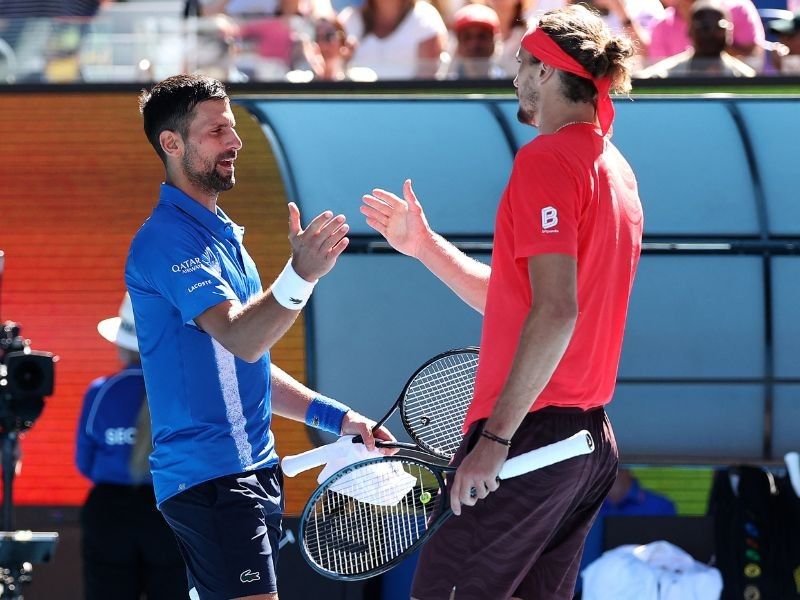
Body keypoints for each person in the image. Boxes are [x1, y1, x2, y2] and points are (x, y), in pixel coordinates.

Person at [361, 5, 642, 598]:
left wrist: (495, 441)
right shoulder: (614, 168)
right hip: (586, 445)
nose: (514, 77)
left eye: (522, 64)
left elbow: (556, 312)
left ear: (546, 72)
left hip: (531, 441)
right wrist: (426, 247)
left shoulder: (547, 158)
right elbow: (524, 306)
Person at [125, 74, 394, 600]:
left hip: (247, 475)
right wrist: (301, 276)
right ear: (172, 143)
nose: (235, 141)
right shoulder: (164, 238)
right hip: (212, 482)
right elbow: (242, 339)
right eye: (217, 130)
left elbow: (244, 364)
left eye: (233, 127)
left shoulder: (222, 236)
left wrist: (338, 419)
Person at [76, 293, 187, 600]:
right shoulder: (183, 390)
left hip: (109, 511)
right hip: (172, 509)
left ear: (123, 342)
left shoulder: (101, 391)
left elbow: (84, 462)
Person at [638, 0, 756, 78]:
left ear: (729, 31)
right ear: (690, 31)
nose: (711, 33)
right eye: (704, 27)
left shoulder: (744, 78)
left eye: (718, 27)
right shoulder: (663, 76)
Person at [339, 0, 448, 79]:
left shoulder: (426, 18)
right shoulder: (348, 19)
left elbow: (425, 85)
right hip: (357, 107)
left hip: (408, 107)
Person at [445, 3, 507, 79]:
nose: (474, 44)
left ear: (495, 40)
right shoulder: (447, 87)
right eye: (467, 37)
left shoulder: (511, 84)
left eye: (482, 36)